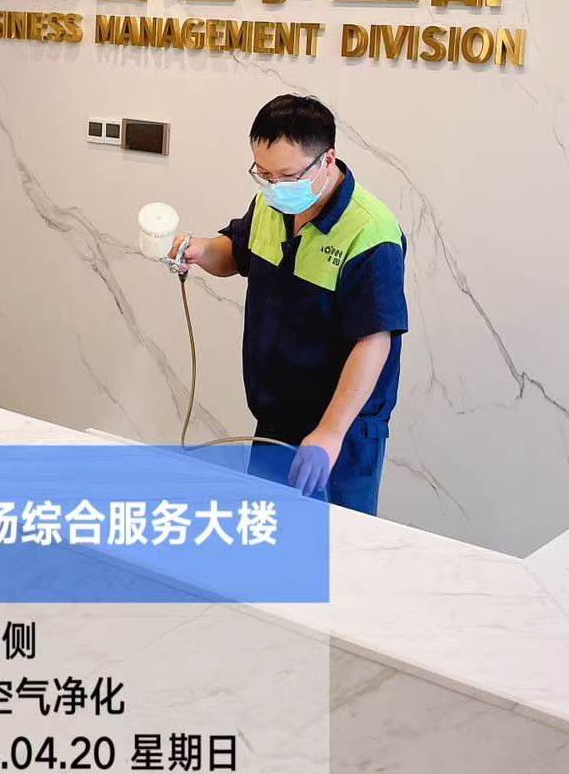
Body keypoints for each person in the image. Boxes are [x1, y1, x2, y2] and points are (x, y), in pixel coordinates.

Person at [170, 94, 407, 516]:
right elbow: (236, 253)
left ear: (327, 159)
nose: (274, 186)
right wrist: (202, 250)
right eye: (263, 173)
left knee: (334, 546)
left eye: (287, 175)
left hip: (342, 432)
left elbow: (374, 341)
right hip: (276, 418)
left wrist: (330, 433)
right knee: (267, 533)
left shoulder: (371, 232)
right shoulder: (271, 203)